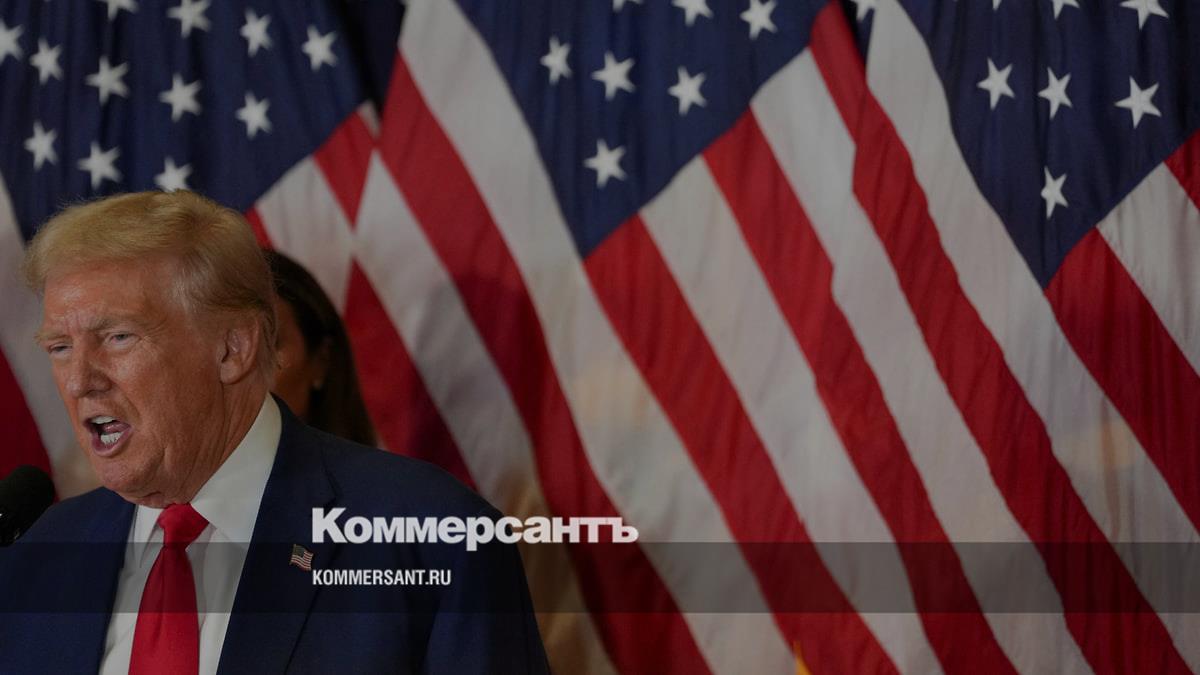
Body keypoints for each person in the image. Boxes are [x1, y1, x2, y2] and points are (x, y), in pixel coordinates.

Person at [0, 191, 549, 674]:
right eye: (60, 348)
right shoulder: (39, 556)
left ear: (232, 349)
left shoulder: (431, 538)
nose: (79, 380)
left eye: (118, 337)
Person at [266, 249, 376, 446]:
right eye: (227, 349)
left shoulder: (377, 468)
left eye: (266, 347)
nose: (239, 368)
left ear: (321, 361)